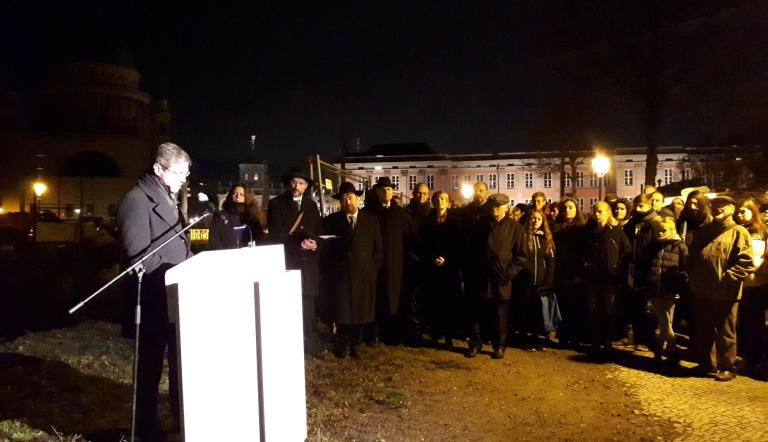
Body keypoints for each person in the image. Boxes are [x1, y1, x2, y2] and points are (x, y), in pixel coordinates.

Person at [116, 142, 192, 439]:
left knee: (179, 364)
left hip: (177, 297)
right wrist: (177, 272)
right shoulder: (136, 199)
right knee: (149, 369)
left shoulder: (169, 196)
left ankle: (181, 420)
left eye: (186, 174)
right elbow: (140, 257)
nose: (183, 180)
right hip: (152, 300)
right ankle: (144, 427)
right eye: (179, 173)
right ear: (159, 169)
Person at [689, 195, 754, 381]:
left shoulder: (739, 232)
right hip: (701, 290)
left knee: (725, 331)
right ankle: (706, 363)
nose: (718, 208)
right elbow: (692, 258)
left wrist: (726, 279)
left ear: (732, 209)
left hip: (725, 292)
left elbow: (746, 263)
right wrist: (693, 278)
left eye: (723, 206)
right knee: (704, 328)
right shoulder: (704, 231)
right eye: (715, 205)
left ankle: (727, 366)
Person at [321, 182, 382, 358]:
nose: (347, 201)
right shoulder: (331, 221)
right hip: (340, 275)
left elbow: (378, 250)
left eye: (350, 197)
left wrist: (372, 269)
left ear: (358, 198)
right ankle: (342, 344)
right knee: (341, 312)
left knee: (360, 313)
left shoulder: (371, 220)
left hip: (363, 275)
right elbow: (326, 249)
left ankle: (356, 344)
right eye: (344, 198)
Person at [267, 166, 323, 355]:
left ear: (306, 186)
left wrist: (315, 244)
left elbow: (318, 231)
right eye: (293, 182)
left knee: (308, 306)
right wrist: (298, 245)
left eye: (301, 183)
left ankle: (310, 342)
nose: (296, 186)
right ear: (288, 183)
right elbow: (275, 235)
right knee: (288, 304)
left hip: (309, 263)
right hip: (289, 261)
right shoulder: (276, 204)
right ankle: (290, 344)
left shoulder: (311, 205)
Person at [466, 193, 528, 359]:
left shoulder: (515, 228)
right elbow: (471, 249)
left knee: (499, 315)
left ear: (506, 207)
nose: (494, 210)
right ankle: (475, 343)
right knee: (476, 313)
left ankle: (499, 345)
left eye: (498, 207)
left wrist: (508, 273)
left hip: (501, 278)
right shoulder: (481, 225)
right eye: (492, 206)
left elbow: (521, 256)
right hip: (480, 276)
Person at [364, 176, 417, 344]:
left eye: (388, 189)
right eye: (382, 189)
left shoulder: (400, 214)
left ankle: (392, 333)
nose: (386, 191)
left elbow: (411, 239)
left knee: (394, 297)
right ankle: (373, 332)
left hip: (396, 263)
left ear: (392, 191)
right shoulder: (369, 213)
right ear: (377, 192)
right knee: (376, 296)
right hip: (375, 263)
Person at [583, 201, 631, 358]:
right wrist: (586, 264)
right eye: (595, 211)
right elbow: (583, 252)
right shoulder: (590, 232)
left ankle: (607, 340)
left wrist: (617, 266)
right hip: (593, 277)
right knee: (593, 310)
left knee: (608, 310)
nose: (597, 214)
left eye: (600, 211)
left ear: (608, 213)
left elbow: (626, 250)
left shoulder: (617, 232)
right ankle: (595, 340)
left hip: (610, 277)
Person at [419, 191, 462, 349]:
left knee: (449, 303)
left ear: (448, 202)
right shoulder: (426, 221)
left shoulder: (456, 222)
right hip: (432, 268)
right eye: (437, 199)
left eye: (443, 199)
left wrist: (446, 258)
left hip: (449, 269)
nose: (440, 202)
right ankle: (435, 334)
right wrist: (433, 258)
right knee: (434, 302)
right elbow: (423, 244)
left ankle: (449, 335)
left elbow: (458, 245)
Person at [646, 216, 688, 365]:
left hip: (670, 289)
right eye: (658, 230)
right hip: (655, 288)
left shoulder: (680, 247)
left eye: (663, 230)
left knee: (666, 321)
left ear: (672, 230)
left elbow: (685, 269)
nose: (660, 233)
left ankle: (660, 350)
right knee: (664, 320)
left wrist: (678, 282)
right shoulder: (654, 246)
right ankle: (672, 348)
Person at [735, 198, 768, 374]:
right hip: (742, 283)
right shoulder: (738, 230)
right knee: (745, 323)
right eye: (738, 212)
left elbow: (759, 257)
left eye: (743, 212)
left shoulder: (761, 232)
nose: (740, 215)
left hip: (758, 284)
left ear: (753, 212)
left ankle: (754, 358)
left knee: (755, 323)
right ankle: (748, 357)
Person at [552, 197, 587, 345]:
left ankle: (576, 336)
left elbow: (585, 252)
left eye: (571, 207)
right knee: (562, 305)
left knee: (576, 305)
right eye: (565, 207)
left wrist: (580, 273)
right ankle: (563, 335)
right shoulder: (555, 227)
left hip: (575, 272)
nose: (567, 210)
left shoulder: (582, 228)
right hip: (559, 271)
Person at [519, 209, 556, 351]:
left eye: (539, 219)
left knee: (537, 311)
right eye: (533, 218)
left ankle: (536, 338)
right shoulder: (522, 236)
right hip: (525, 281)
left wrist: (547, 282)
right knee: (525, 310)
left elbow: (551, 262)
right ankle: (524, 339)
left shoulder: (546, 238)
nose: (536, 221)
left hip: (540, 282)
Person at [209, 184, 265, 249]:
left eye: (241, 194)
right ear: (230, 195)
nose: (238, 196)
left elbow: (259, 239)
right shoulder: (220, 216)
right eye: (235, 193)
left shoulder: (253, 217)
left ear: (247, 197)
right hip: (225, 256)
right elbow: (214, 239)